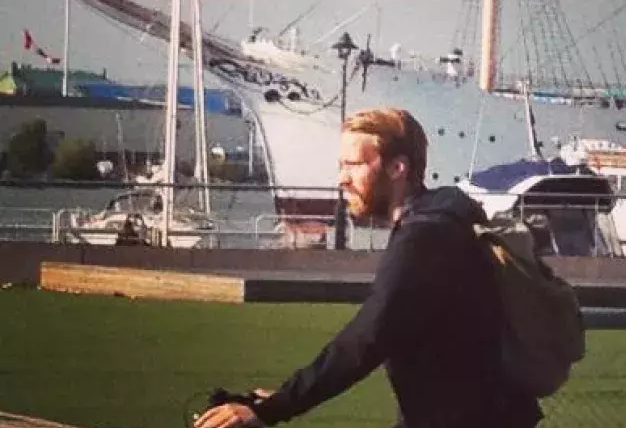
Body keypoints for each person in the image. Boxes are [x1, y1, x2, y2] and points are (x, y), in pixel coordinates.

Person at [195, 108, 543, 428]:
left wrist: (275, 408)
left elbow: (367, 337)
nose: (342, 179)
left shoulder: (425, 236)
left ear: (397, 168)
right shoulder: (443, 214)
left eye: (354, 165)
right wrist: (283, 399)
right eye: (341, 165)